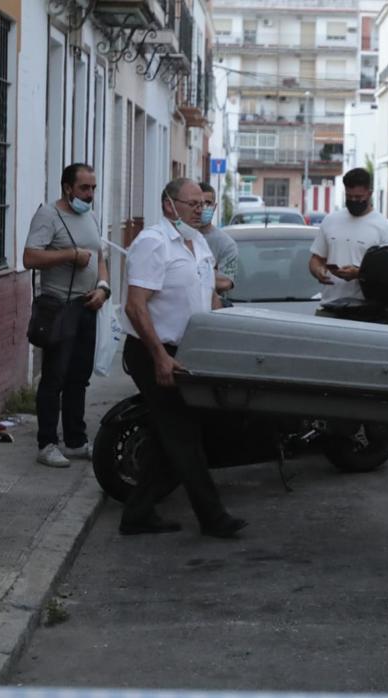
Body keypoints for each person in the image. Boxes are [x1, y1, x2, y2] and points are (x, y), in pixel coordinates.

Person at [119, 178, 247, 538]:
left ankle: (138, 513)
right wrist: (159, 356)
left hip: (190, 350)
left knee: (169, 437)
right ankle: (213, 517)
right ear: (168, 205)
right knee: (183, 435)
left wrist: (222, 337)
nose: (199, 209)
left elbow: (209, 298)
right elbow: (135, 305)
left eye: (202, 204)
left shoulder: (199, 243)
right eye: (190, 204)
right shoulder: (153, 244)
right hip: (153, 351)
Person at [23, 164, 111, 468]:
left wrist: (103, 287)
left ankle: (76, 440)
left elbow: (100, 257)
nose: (90, 194)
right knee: (54, 377)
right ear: (67, 188)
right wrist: (69, 255)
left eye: (93, 188)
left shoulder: (91, 216)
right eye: (84, 188)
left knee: (79, 378)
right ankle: (47, 443)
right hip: (59, 307)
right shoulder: (49, 215)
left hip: (88, 305)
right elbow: (30, 256)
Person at [308, 167, 388, 306]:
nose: (353, 201)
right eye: (349, 197)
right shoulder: (330, 220)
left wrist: (359, 274)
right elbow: (316, 259)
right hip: (329, 305)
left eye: (358, 197)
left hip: (366, 310)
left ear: (369, 193)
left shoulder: (385, 228)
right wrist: (318, 271)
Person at [197, 182, 238, 294]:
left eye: (207, 203)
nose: (203, 208)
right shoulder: (179, 236)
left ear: (214, 207)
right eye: (198, 203)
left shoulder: (226, 244)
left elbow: (225, 282)